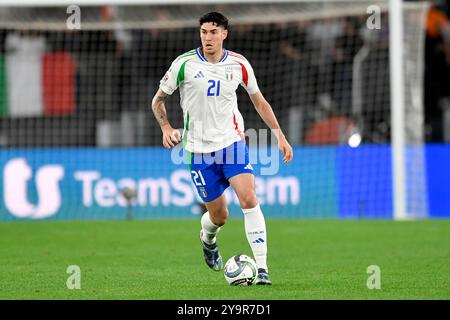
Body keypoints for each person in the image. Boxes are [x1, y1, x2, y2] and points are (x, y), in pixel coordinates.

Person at [151, 12, 293, 285]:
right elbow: (158, 100)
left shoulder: (239, 64)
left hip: (232, 143)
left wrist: (280, 136)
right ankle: (208, 237)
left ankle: (262, 269)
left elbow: (259, 102)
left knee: (249, 199)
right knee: (219, 216)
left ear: (224, 34)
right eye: (204, 32)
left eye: (213, 32)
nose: (208, 37)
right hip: (198, 151)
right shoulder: (184, 64)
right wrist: (166, 128)